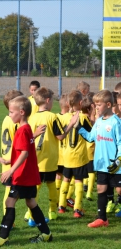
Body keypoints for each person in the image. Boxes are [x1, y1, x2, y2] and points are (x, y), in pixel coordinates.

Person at [0, 96, 52, 246]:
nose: (9, 115)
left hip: (22, 175)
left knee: (10, 201)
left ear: (21, 112)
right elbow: (25, 150)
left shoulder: (22, 131)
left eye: (11, 112)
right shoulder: (27, 128)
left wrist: (10, 170)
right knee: (31, 202)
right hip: (28, 173)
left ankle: (2, 237)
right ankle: (46, 234)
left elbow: (24, 153)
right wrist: (8, 161)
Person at [28, 87, 79, 221]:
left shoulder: (32, 118)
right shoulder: (52, 116)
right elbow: (61, 136)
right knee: (51, 185)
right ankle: (52, 212)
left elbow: (29, 138)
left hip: (36, 159)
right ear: (48, 100)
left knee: (36, 187)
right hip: (50, 159)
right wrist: (71, 124)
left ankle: (30, 214)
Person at [76, 90, 121, 227]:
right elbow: (91, 137)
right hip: (101, 164)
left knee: (119, 190)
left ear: (108, 104)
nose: (96, 108)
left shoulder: (116, 122)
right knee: (101, 189)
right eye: (95, 105)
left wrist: (118, 160)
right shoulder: (99, 122)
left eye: (99, 105)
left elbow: (120, 143)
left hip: (115, 164)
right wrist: (78, 127)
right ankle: (102, 219)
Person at [58, 90, 92, 218]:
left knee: (65, 180)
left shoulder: (64, 118)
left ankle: (61, 206)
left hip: (66, 156)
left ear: (67, 103)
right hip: (79, 157)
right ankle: (77, 209)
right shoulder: (83, 117)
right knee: (78, 181)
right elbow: (91, 134)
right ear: (81, 102)